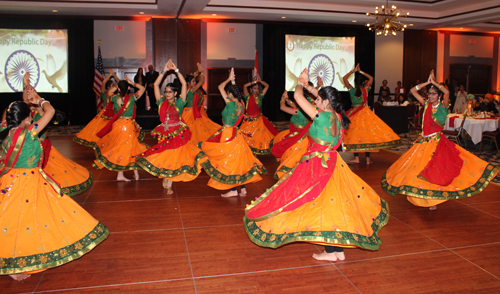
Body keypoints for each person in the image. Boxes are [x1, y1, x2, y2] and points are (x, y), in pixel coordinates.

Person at [244, 69, 389, 262]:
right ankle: (336, 250)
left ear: (326, 102)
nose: (315, 102)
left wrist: (300, 82)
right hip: (332, 163)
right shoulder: (337, 116)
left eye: (318, 100)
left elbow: (297, 96)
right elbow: (317, 96)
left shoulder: (321, 117)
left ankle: (331, 252)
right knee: (330, 206)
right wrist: (311, 87)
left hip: (317, 166)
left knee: (316, 204)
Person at [0, 100, 108, 281]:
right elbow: (49, 112)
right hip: (26, 183)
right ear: (27, 118)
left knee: (16, 220)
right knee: (19, 221)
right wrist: (40, 100)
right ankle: (13, 265)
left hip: (10, 181)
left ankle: (20, 259)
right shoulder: (28, 132)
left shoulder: (4, 132)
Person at [382, 70, 499, 210]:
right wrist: (427, 82)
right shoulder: (426, 104)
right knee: (417, 170)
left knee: (434, 172)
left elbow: (447, 93)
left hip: (436, 144)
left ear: (439, 95)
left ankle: (433, 200)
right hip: (422, 142)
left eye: (433, 93)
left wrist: (435, 83)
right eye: (429, 93)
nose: (430, 96)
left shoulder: (443, 107)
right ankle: (418, 196)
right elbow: (413, 91)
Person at [135, 60, 208, 193]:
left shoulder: (180, 103)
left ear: (175, 93)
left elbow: (184, 85)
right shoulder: (160, 103)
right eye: (166, 91)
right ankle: (166, 177)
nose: (167, 93)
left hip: (176, 134)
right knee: (165, 157)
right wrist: (164, 71)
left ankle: (169, 183)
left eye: (170, 92)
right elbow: (156, 84)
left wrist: (176, 70)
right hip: (164, 133)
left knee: (173, 158)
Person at [23, 73, 93, 196]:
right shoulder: (28, 115)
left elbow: (46, 108)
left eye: (30, 99)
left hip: (42, 149)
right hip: (30, 149)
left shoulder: (40, 113)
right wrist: (26, 84)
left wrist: (37, 97)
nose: (27, 100)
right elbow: (25, 98)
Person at [201, 68, 267, 197]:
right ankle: (242, 189)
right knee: (237, 160)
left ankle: (232, 190)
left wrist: (228, 80)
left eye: (227, 93)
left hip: (227, 133)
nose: (226, 94)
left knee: (228, 161)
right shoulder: (241, 104)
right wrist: (233, 80)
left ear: (230, 94)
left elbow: (220, 86)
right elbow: (230, 91)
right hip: (235, 134)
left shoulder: (230, 103)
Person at [342, 64, 401, 164]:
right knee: (367, 135)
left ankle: (356, 158)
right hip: (365, 114)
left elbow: (344, 78)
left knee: (356, 136)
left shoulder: (352, 90)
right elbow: (371, 78)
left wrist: (353, 71)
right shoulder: (366, 90)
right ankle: (368, 159)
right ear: (363, 83)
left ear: (355, 83)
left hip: (355, 114)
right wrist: (360, 71)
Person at [93, 77, 148, 181]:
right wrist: (132, 83)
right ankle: (134, 173)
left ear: (118, 89)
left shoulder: (114, 98)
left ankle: (122, 174)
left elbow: (109, 92)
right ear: (127, 88)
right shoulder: (132, 98)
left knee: (121, 148)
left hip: (118, 125)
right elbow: (143, 89)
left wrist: (117, 86)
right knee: (131, 147)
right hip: (128, 126)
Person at [74, 69, 128, 147]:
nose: (114, 86)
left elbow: (120, 84)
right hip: (105, 115)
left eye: (114, 85)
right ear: (108, 87)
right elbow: (103, 83)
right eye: (112, 85)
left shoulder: (115, 95)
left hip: (114, 114)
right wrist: (110, 75)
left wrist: (114, 76)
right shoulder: (104, 94)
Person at [272, 86, 314, 180]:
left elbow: (282, 108)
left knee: (287, 152)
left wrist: (282, 99)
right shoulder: (311, 106)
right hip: (304, 135)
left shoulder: (297, 112)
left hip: (296, 136)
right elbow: (295, 106)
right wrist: (288, 101)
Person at [239, 74, 279, 155]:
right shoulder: (247, 96)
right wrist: (254, 82)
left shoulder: (260, 96)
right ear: (251, 89)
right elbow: (244, 86)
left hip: (259, 121)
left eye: (257, 88)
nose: (257, 90)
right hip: (248, 121)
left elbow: (267, 86)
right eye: (255, 88)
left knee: (260, 138)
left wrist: (260, 82)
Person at [181, 63, 221, 142]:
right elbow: (202, 80)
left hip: (186, 111)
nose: (194, 83)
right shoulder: (191, 90)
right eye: (193, 81)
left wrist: (197, 72)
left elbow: (193, 78)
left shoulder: (186, 90)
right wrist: (202, 71)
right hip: (191, 112)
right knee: (195, 129)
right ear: (188, 83)